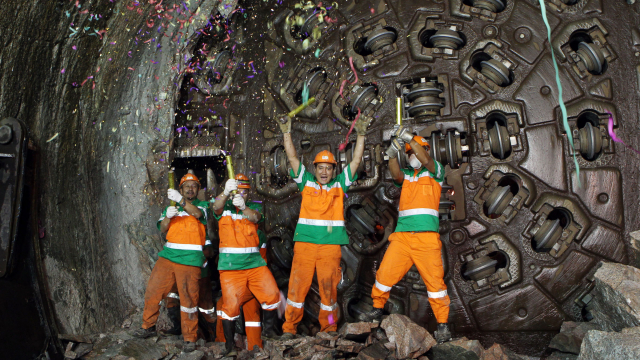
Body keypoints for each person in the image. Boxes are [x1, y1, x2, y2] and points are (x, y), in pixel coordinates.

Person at [277, 112, 370, 338]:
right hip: (305, 247)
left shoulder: (340, 186)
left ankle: (329, 327)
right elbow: (292, 158)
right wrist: (286, 132)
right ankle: (289, 329)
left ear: (334, 170)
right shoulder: (306, 183)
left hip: (329, 249)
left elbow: (356, 161)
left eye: (329, 168)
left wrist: (361, 135)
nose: (324, 171)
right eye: (321, 167)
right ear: (315, 168)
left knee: (329, 296)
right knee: (297, 289)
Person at [358, 127, 451, 343]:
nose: (413, 157)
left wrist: (409, 138)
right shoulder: (407, 177)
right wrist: (391, 155)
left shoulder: (436, 172)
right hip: (402, 238)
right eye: (409, 154)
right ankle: (377, 309)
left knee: (435, 284)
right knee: (383, 276)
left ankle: (443, 326)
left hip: (426, 239)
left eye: (415, 152)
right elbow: (395, 173)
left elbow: (425, 159)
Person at [132, 173, 209, 353]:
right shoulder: (171, 207)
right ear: (181, 188)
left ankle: (190, 338)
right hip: (167, 258)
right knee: (153, 291)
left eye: (194, 186)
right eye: (186, 186)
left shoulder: (203, 206)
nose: (190, 189)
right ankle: (148, 327)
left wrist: (180, 201)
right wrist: (168, 215)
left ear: (198, 190)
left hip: (190, 260)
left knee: (189, 299)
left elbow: (197, 213)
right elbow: (163, 228)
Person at [211, 174, 280, 356]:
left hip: (255, 265)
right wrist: (225, 192)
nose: (242, 193)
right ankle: (228, 346)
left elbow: (256, 217)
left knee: (272, 295)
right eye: (238, 190)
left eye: (245, 191)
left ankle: (269, 333)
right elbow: (215, 206)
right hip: (231, 268)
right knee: (230, 308)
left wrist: (243, 207)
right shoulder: (224, 208)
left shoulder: (253, 207)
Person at [215, 229, 270, 351]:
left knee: (223, 305)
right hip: (253, 283)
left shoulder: (252, 234)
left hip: (249, 281)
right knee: (252, 311)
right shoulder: (250, 233)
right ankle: (255, 347)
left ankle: (221, 341)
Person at [163, 237, 216, 340]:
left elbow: (209, 252)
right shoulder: (176, 230)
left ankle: (214, 335)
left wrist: (190, 255)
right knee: (172, 297)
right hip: (178, 272)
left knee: (205, 307)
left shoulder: (200, 229)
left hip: (199, 274)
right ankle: (178, 328)